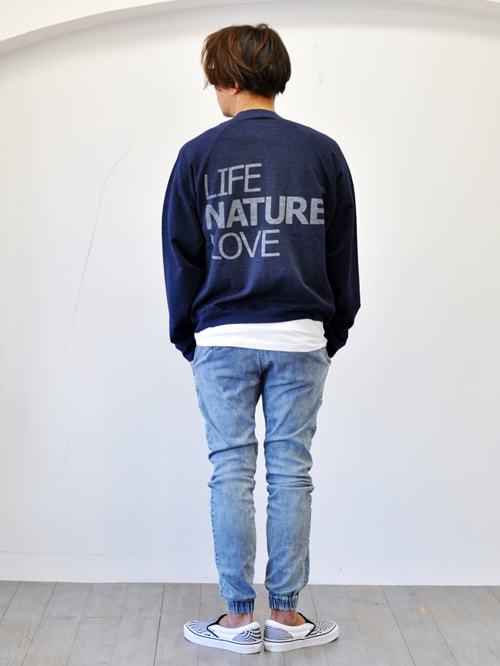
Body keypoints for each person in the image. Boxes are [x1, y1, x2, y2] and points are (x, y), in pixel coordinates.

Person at [162, 22, 360, 655]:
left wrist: (190, 336)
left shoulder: (198, 155)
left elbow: (181, 256)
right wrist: (332, 329)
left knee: (230, 472)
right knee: (291, 472)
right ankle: (288, 618)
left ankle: (237, 619)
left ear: (229, 79)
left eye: (212, 79)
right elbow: (341, 255)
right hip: (301, 336)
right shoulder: (322, 152)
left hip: (222, 336)